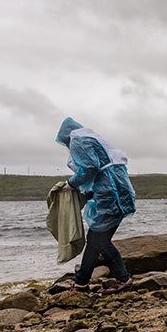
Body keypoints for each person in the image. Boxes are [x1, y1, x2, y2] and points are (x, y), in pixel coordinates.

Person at [55, 117, 136, 294]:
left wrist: (72, 184)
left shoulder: (79, 140)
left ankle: (124, 279)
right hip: (116, 194)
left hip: (111, 197)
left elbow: (90, 167)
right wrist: (89, 193)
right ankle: (81, 284)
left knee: (100, 241)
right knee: (94, 241)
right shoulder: (93, 140)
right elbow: (102, 171)